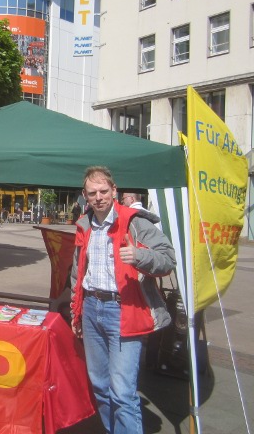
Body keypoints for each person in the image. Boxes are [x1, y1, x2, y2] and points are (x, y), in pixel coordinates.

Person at [70, 166, 175, 433]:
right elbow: (78, 273)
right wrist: (77, 311)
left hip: (123, 310)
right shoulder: (84, 225)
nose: (99, 197)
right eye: (92, 193)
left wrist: (140, 256)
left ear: (114, 191)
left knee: (122, 391)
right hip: (92, 309)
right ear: (85, 195)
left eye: (104, 191)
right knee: (99, 385)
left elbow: (168, 259)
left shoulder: (136, 222)